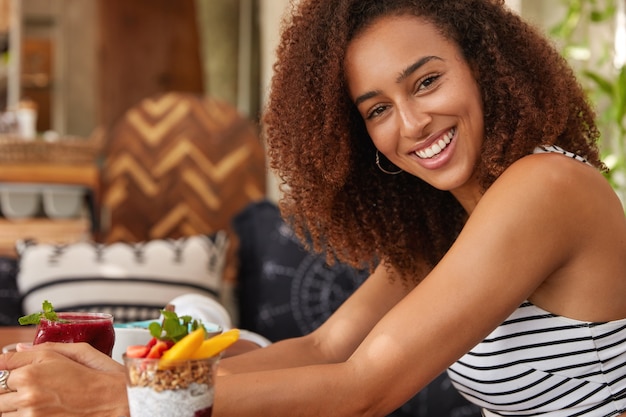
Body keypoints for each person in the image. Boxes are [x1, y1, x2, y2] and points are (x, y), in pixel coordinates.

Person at [1, 0, 625, 415]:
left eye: (427, 80)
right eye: (377, 108)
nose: (410, 123)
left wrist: (127, 399)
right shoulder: (449, 224)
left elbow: (366, 388)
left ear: (486, 68)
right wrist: (125, 364)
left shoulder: (545, 187)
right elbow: (327, 350)